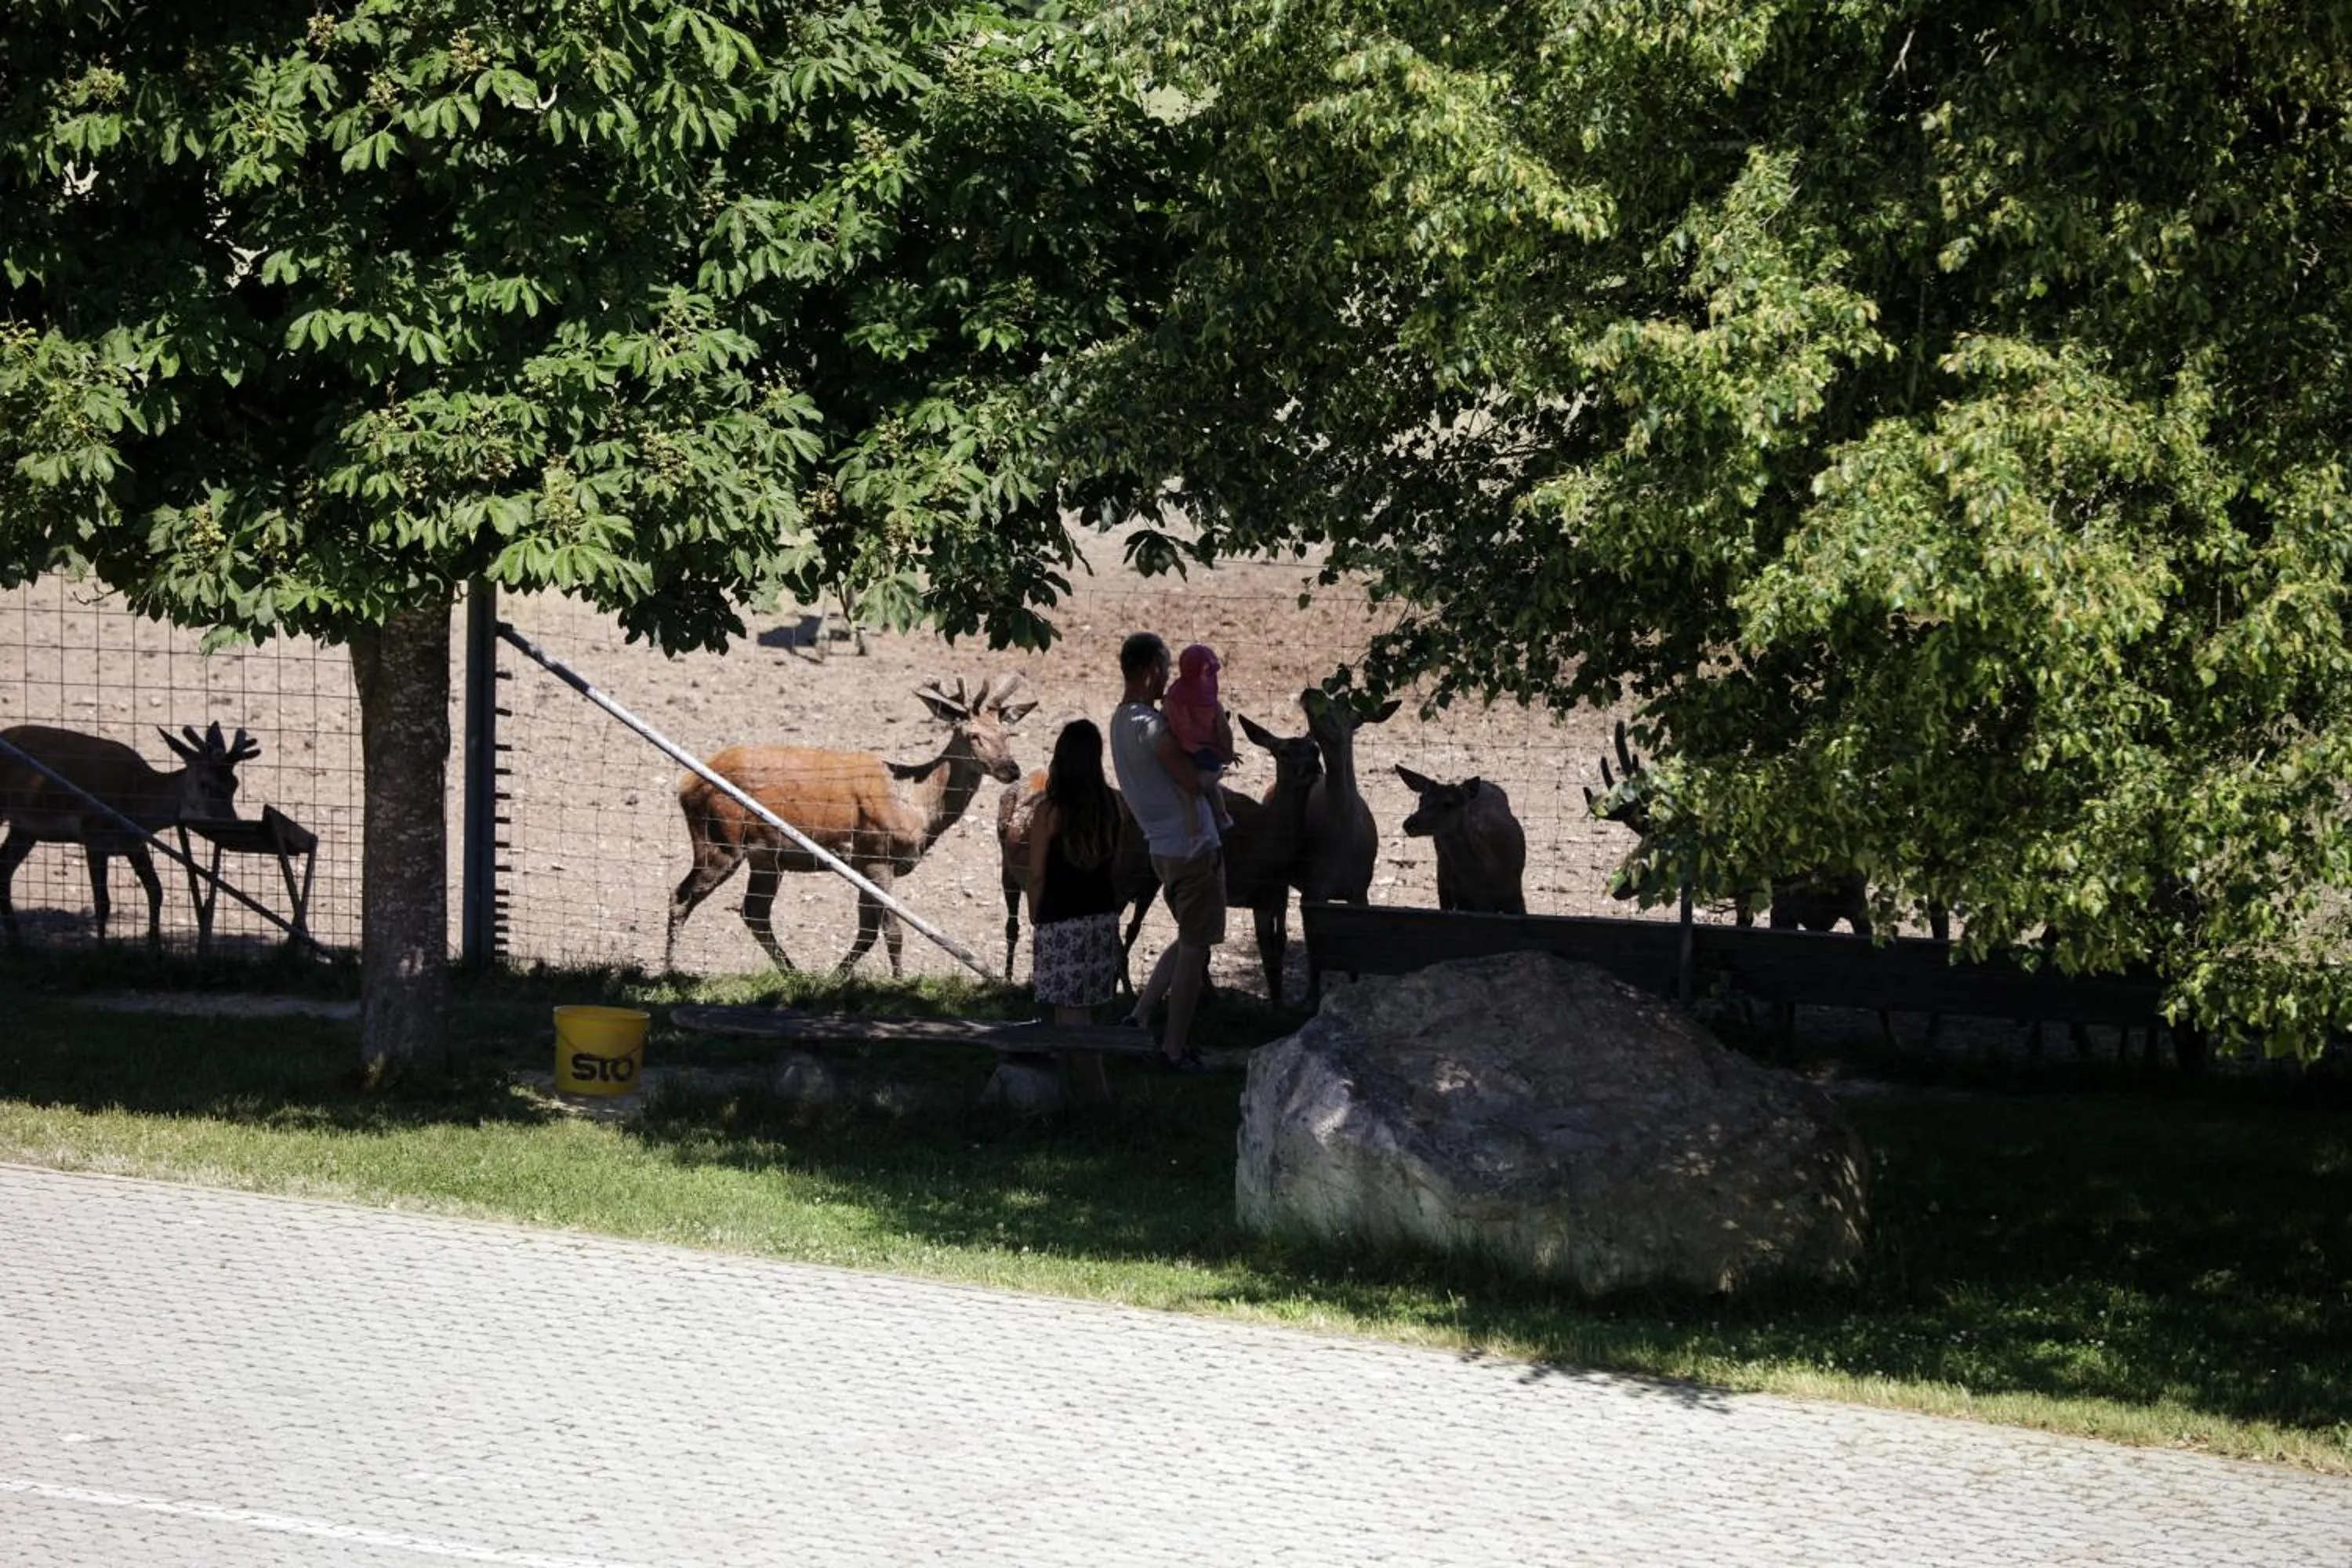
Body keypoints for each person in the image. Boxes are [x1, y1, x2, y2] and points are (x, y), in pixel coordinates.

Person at [1107, 631, 1223, 1073]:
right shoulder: (1152, 727)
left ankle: (1138, 1017)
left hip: (1162, 847)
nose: (1169, 677)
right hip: (1192, 850)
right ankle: (1173, 1050)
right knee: (1196, 949)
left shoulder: (1121, 722)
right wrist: (1216, 771)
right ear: (1151, 669)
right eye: (1166, 668)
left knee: (1190, 937)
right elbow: (1194, 781)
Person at [1025, 718, 1123, 1102]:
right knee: (1081, 1012)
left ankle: (1097, 1098)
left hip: (1060, 922)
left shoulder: (1049, 812)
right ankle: (1068, 1093)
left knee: (1069, 1018)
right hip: (1100, 920)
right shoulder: (1114, 805)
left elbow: (1035, 874)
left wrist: (1035, 914)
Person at [1161, 642, 1236, 832]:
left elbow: (1164, 717)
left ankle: (1193, 829)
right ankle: (1220, 818)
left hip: (1182, 753)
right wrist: (1227, 754)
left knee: (1188, 791)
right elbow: (1223, 733)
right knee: (1209, 788)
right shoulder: (1212, 705)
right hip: (1204, 756)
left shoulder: (1174, 697)